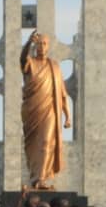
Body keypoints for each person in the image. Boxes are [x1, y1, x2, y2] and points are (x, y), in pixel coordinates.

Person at [20, 32, 71, 189]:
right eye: (38, 44)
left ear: (48, 46)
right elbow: (22, 59)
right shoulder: (30, 64)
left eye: (44, 43)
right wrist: (28, 43)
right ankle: (35, 175)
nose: (41, 46)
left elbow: (62, 93)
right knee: (33, 145)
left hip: (50, 110)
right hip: (32, 111)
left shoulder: (54, 66)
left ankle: (40, 178)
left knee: (47, 141)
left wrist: (67, 116)